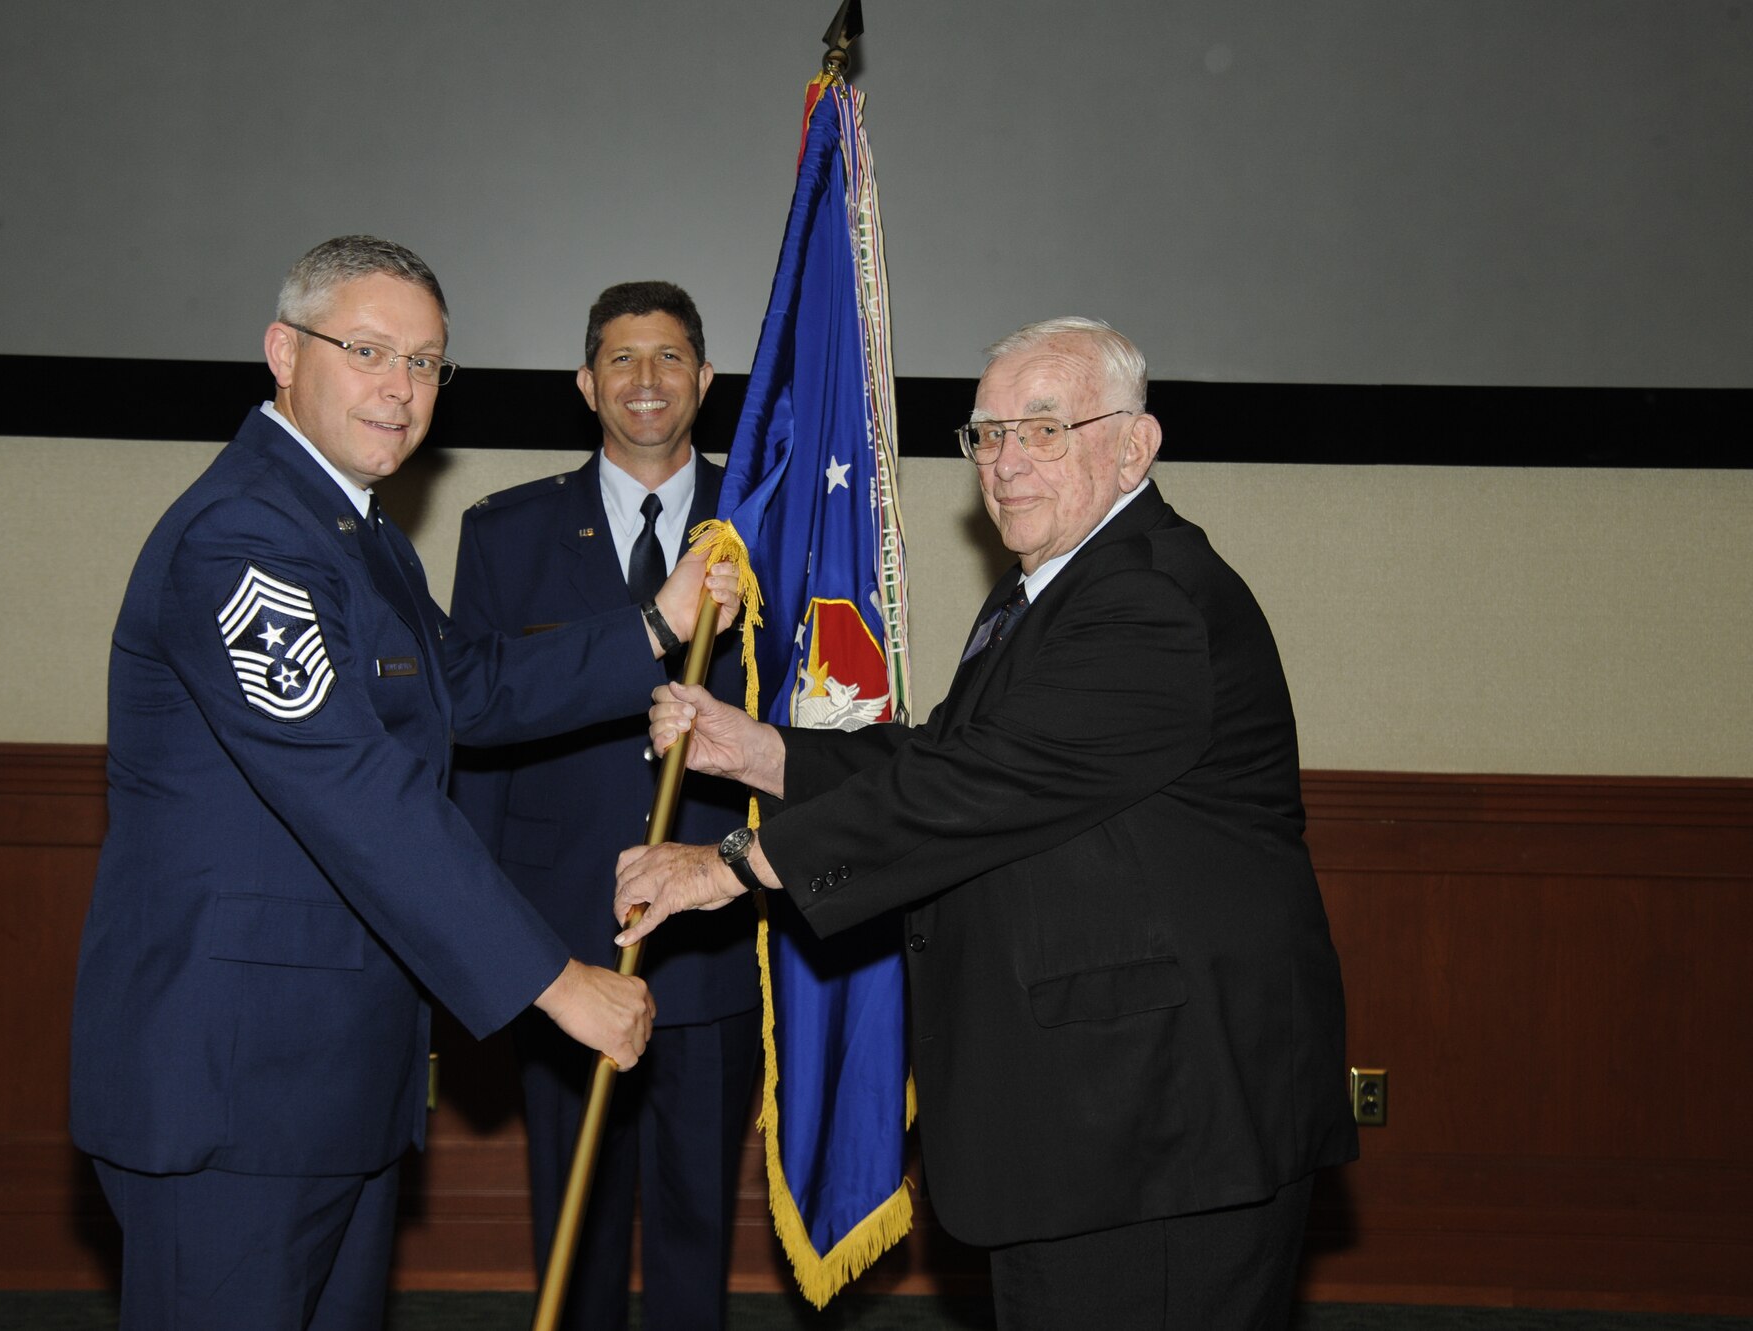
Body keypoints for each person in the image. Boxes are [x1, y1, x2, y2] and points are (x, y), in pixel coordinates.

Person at [612, 317, 1358, 1330]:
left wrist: (732, 863)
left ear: (1133, 445)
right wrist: (758, 751)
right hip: (1095, 1120)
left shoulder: (1147, 598)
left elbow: (978, 784)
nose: (1002, 464)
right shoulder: (1048, 590)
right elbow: (954, 755)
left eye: (1042, 431)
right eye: (985, 434)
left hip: (1160, 1125)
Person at [70, 237, 739, 1331]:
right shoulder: (244, 537)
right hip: (235, 1086)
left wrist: (653, 625)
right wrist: (552, 979)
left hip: (328, 1084)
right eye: (369, 350)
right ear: (284, 352)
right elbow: (355, 790)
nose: (401, 388)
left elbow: (465, 686)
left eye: (426, 363)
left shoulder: (352, 534)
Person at [450, 282, 758, 1331]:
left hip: (714, 939)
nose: (644, 379)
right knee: (573, 1236)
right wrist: (482, 948)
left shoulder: (765, 527)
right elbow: (477, 741)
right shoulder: (505, 534)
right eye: (620, 359)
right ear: (586, 384)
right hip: (561, 941)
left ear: (704, 381)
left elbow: (810, 727)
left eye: (668, 357)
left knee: (694, 1233)